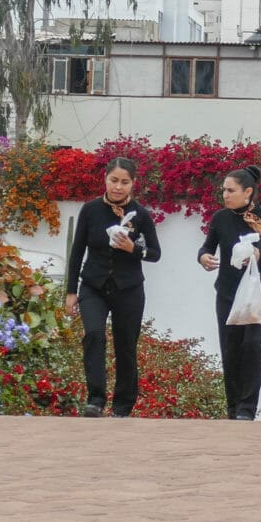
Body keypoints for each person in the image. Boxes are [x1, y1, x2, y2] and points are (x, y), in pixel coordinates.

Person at [65, 156, 162, 417]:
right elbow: (77, 252)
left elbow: (155, 253)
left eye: (124, 182)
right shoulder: (91, 210)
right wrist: (71, 291)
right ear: (105, 179)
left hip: (128, 288)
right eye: (114, 180)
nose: (118, 187)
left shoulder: (140, 215)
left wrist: (133, 248)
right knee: (94, 335)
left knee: (125, 345)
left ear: (133, 183)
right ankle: (96, 399)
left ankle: (122, 406)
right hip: (93, 286)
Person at [198, 166, 261, 421]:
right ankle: (233, 408)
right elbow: (207, 248)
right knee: (230, 349)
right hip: (228, 293)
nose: (225, 195)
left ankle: (246, 409)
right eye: (224, 190)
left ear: (247, 192)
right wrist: (203, 257)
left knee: (252, 345)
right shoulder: (220, 218)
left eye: (231, 190)